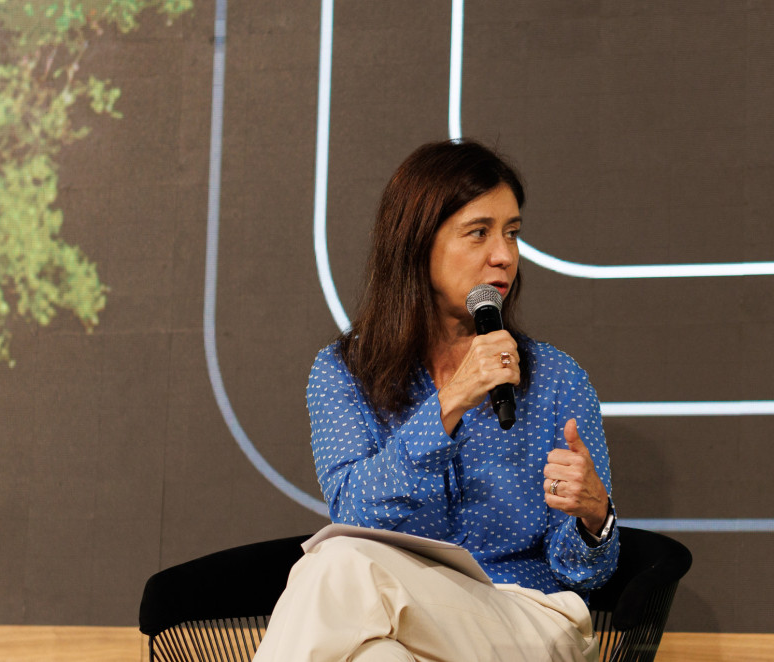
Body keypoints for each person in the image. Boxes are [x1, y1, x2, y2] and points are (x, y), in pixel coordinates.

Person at [253, 139, 620, 662]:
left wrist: (593, 518)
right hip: (399, 619)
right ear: (416, 244)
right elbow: (354, 511)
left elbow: (585, 573)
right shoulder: (344, 371)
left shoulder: (557, 378)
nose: (504, 256)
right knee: (374, 654)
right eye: (479, 232)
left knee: (336, 566)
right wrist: (448, 405)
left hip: (530, 622)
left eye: (512, 233)